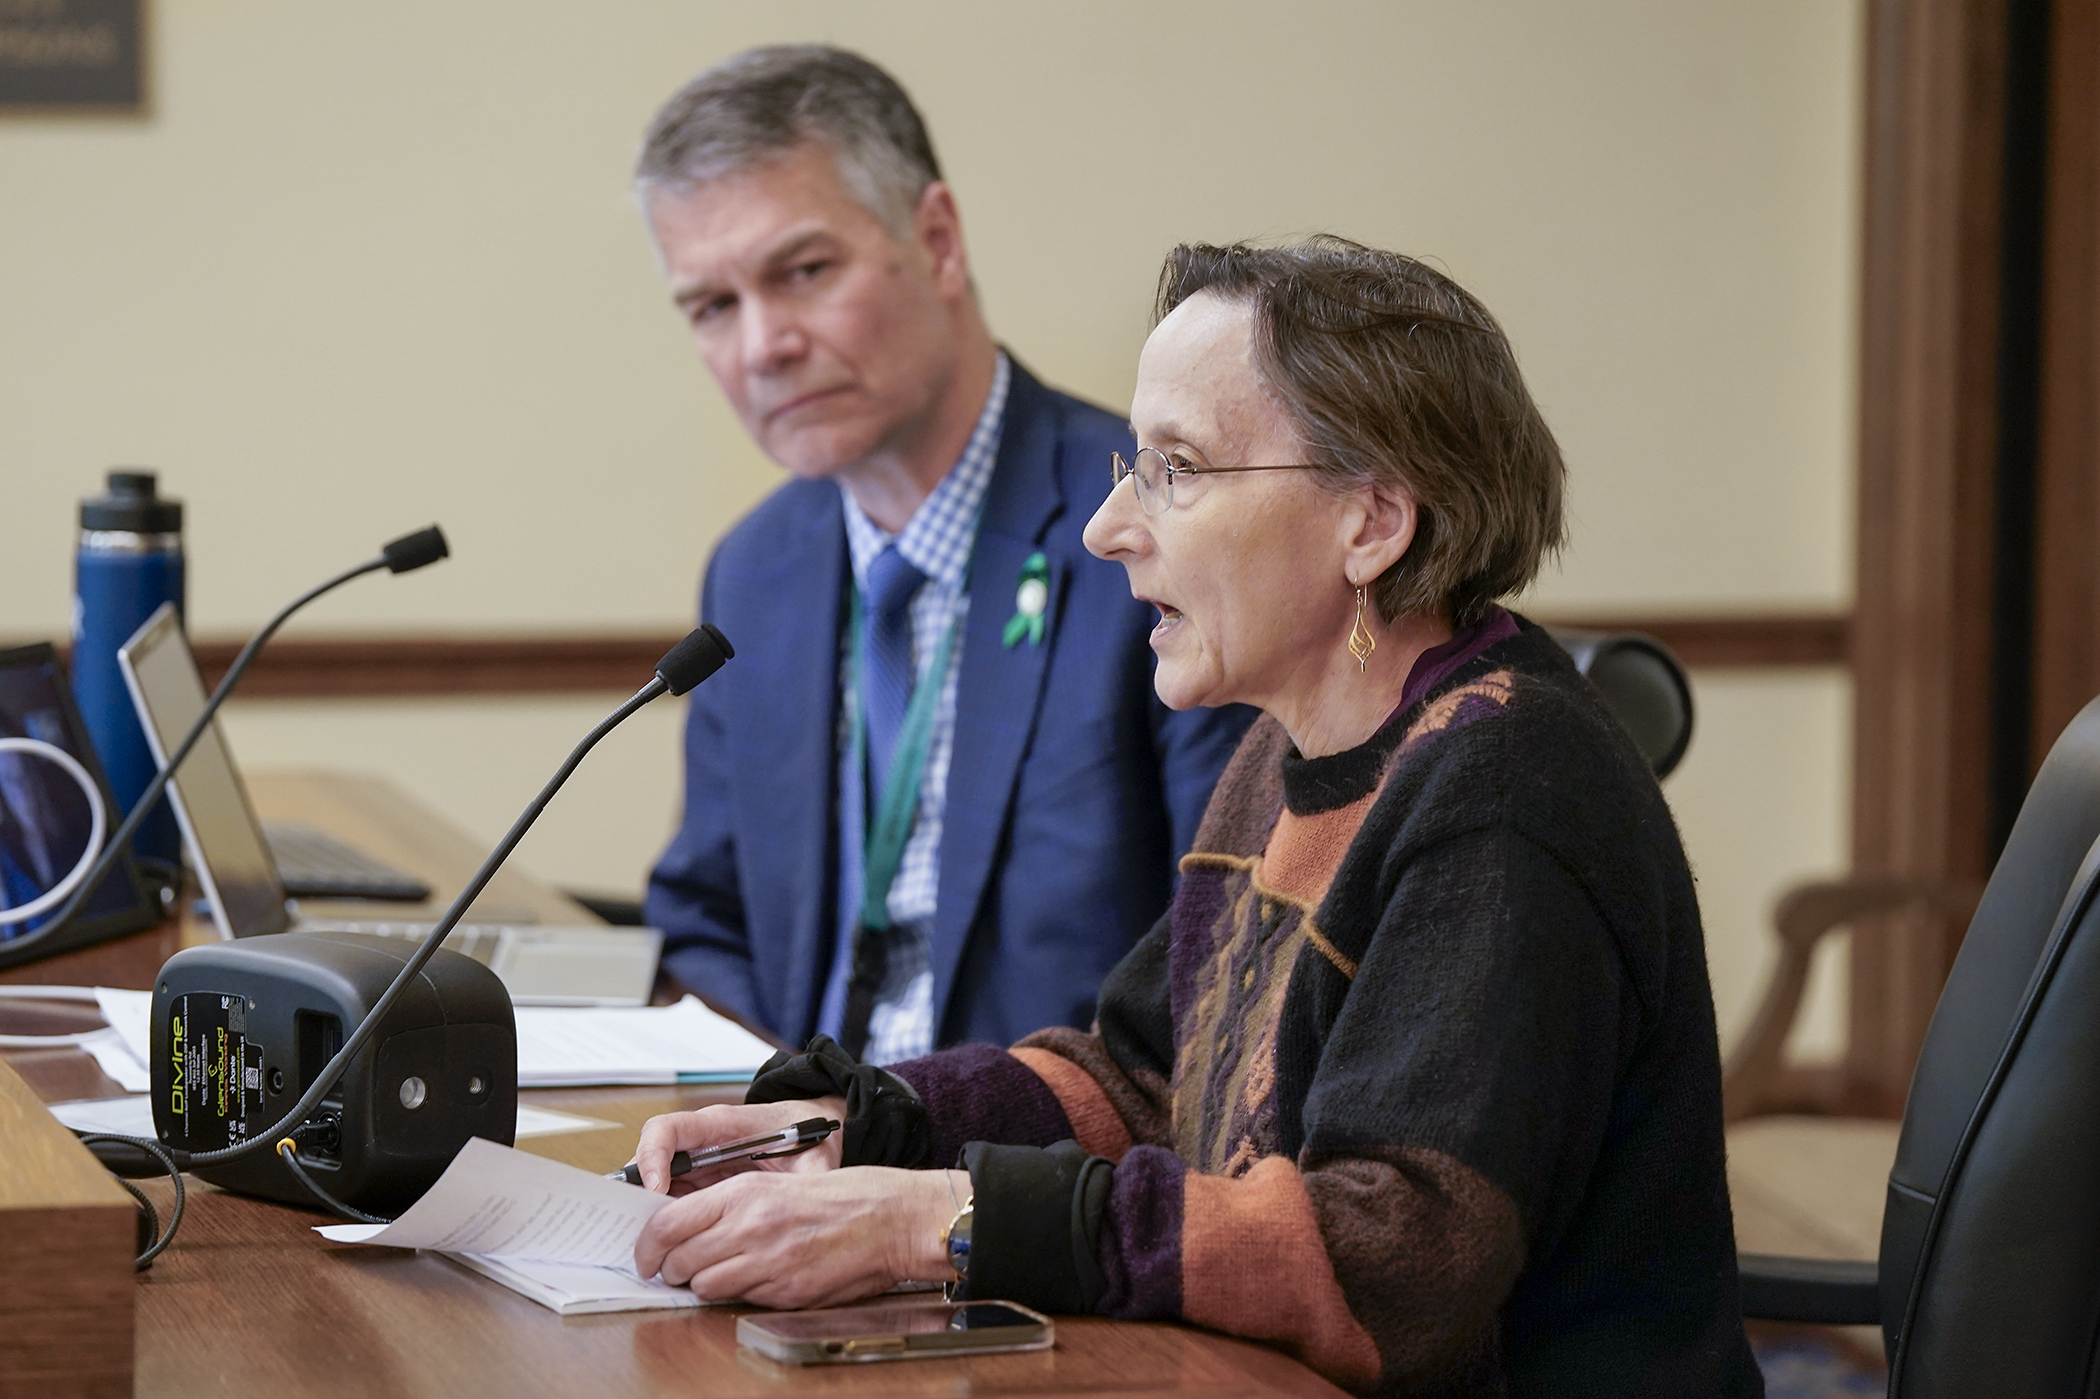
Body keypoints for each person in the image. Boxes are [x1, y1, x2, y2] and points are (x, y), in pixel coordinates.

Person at [624, 238, 1760, 1396]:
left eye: (1177, 469)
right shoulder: (1289, 744)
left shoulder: (1505, 792)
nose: (1107, 526)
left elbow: (1391, 1258)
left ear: (1372, 522)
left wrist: (937, 1220)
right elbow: (1139, 1077)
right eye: (1134, 462)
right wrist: (861, 1127)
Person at [634, 47, 1253, 1061]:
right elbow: (705, 920)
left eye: (804, 272)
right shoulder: (754, 571)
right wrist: (773, 1117)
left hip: (1037, 1144)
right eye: (714, 306)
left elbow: (1223, 968)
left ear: (938, 241)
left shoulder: (1156, 527)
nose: (761, 345)